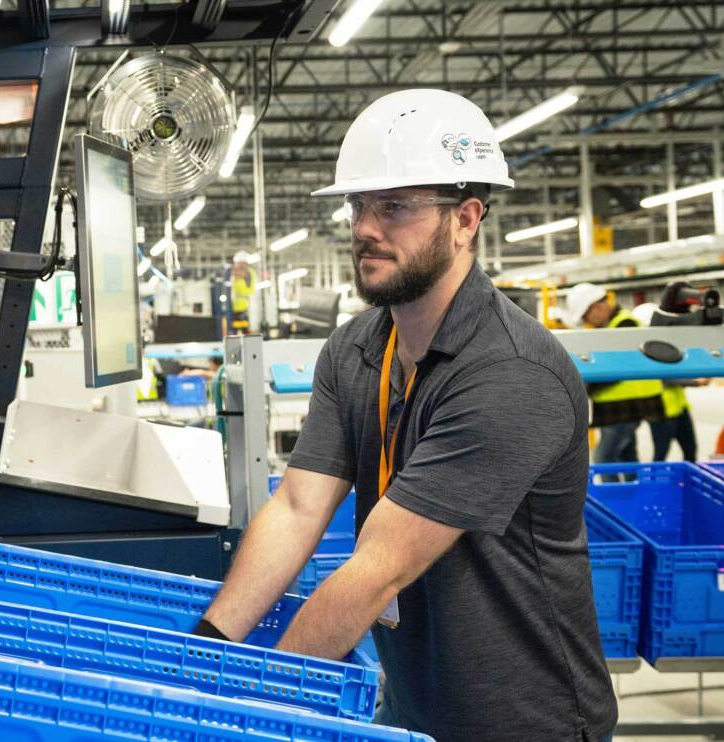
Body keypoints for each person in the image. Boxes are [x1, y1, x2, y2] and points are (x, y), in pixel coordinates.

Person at [196, 89, 616, 742]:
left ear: (466, 218)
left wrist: (255, 712)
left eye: (394, 207)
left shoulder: (510, 374)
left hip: (524, 719)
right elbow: (300, 507)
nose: (365, 227)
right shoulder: (357, 348)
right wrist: (207, 647)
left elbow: (376, 571)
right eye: (359, 205)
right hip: (411, 703)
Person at [563, 284, 665, 464]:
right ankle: (630, 490)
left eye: (587, 315)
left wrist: (588, 386)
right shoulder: (608, 326)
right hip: (619, 406)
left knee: (604, 458)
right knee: (627, 456)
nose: (588, 320)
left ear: (596, 306)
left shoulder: (624, 324)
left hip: (626, 406)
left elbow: (621, 365)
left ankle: (610, 493)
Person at [632, 302, 704, 461]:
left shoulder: (664, 345)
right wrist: (696, 382)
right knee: (661, 453)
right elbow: (665, 376)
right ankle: (654, 485)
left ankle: (687, 484)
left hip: (679, 408)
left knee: (690, 450)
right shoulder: (643, 350)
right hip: (660, 411)